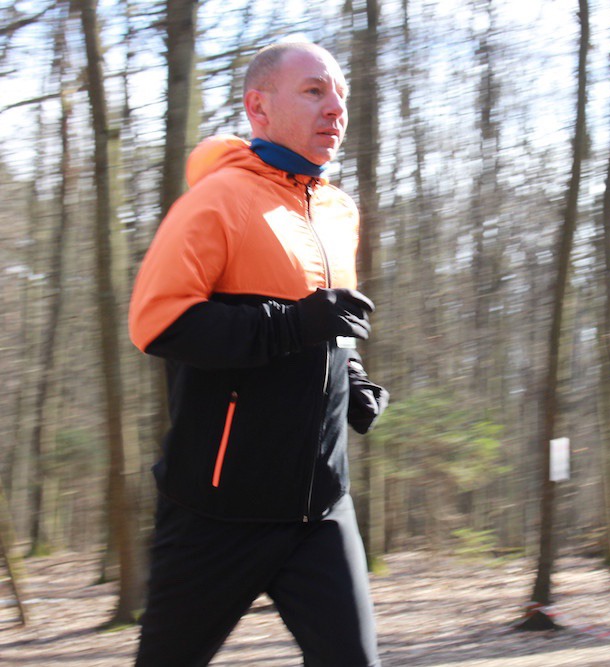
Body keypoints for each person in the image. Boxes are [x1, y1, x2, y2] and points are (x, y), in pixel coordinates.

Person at [129, 41, 387, 667]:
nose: (335, 108)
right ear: (258, 107)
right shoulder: (216, 200)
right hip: (215, 513)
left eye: (341, 94)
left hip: (321, 508)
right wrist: (292, 325)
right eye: (314, 91)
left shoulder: (337, 211)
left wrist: (351, 377)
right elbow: (159, 324)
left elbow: (330, 326)